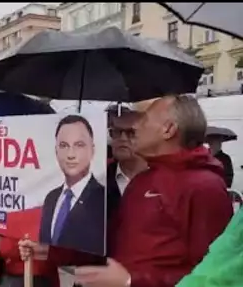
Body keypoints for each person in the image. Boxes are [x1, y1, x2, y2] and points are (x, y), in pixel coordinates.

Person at [71, 95, 233, 287]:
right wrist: (53, 251)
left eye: (144, 120)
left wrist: (131, 281)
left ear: (168, 129)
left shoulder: (205, 187)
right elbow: (109, 244)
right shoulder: (141, 181)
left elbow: (215, 272)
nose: (137, 127)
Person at [40, 114, 105, 256]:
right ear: (56, 151)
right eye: (64, 146)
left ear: (92, 150)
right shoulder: (51, 199)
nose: (70, 154)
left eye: (79, 145)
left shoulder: (104, 200)